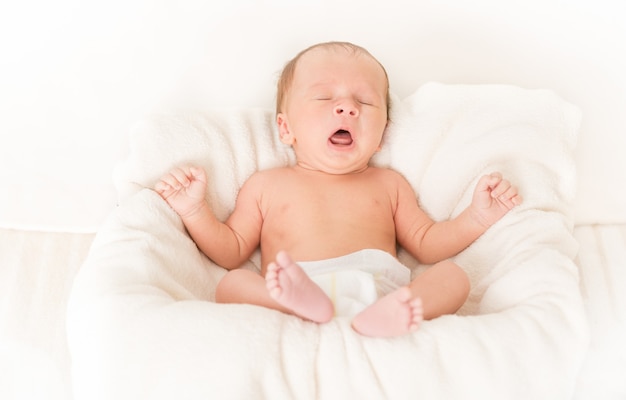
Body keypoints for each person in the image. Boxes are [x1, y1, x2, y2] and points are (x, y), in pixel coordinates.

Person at [155, 41, 522, 337]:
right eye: (325, 99)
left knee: (453, 276)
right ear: (286, 129)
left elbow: (427, 242)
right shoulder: (267, 185)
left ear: (382, 136)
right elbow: (231, 251)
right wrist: (194, 211)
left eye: (363, 101)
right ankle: (301, 307)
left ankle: (389, 318)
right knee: (232, 283)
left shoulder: (388, 184)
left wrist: (476, 217)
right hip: (296, 285)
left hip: (381, 293)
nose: (347, 108)